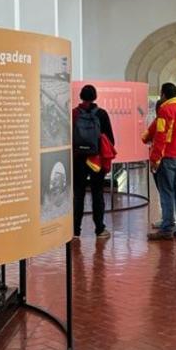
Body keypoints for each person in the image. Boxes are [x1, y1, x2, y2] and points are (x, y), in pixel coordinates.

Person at [147, 82, 176, 241]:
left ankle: (166, 229)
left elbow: (160, 136)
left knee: (166, 193)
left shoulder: (165, 110)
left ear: (163, 94)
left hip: (166, 158)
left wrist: (155, 158)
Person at [72, 85, 114, 240]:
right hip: (96, 160)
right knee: (97, 193)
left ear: (81, 96)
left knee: (79, 194)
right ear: (95, 97)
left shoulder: (74, 114)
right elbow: (110, 139)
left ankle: (75, 230)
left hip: (78, 160)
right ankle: (100, 230)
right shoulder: (102, 114)